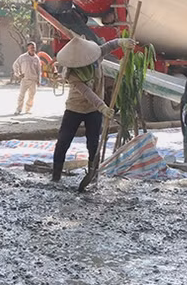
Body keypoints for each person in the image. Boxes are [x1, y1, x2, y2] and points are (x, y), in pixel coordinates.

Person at [51, 35, 135, 182]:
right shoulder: (71, 74)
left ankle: (93, 173)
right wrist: (102, 107)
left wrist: (122, 42)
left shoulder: (95, 57)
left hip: (93, 110)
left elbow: (109, 46)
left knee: (93, 143)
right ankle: (56, 174)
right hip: (75, 108)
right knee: (64, 140)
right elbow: (87, 92)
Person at [13, 41, 42, 115]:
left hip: (33, 80)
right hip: (25, 79)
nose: (33, 49)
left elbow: (39, 70)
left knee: (31, 96)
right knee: (21, 95)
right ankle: (19, 109)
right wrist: (18, 74)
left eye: (34, 47)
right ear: (28, 48)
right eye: (31, 47)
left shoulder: (37, 58)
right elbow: (15, 65)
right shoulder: (22, 57)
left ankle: (28, 109)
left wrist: (39, 80)